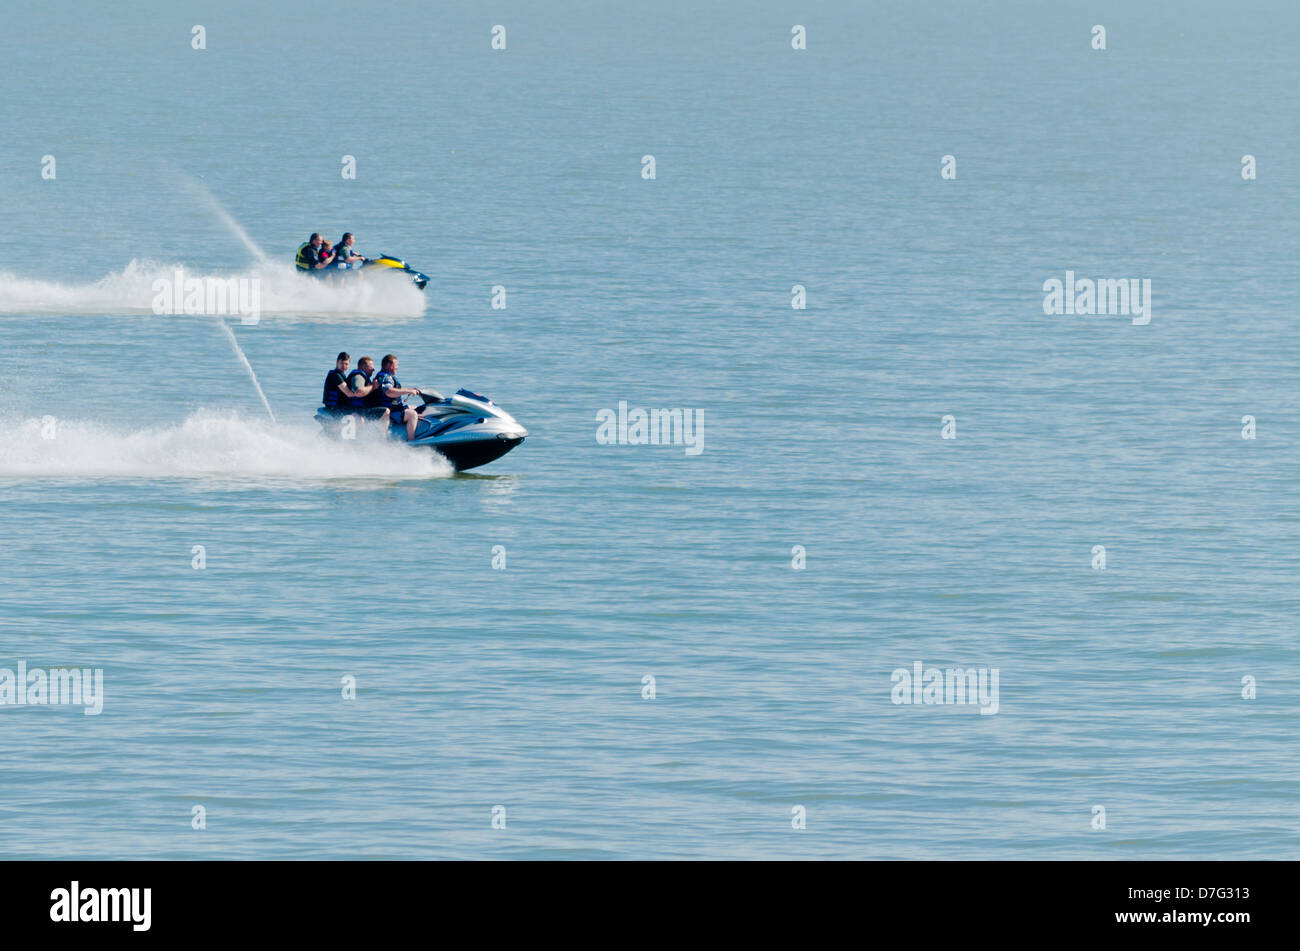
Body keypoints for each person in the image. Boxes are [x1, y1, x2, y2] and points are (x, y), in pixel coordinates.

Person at [372, 354, 422, 441]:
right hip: (391, 411)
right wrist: (408, 391)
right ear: (389, 365)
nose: (397, 367)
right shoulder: (386, 377)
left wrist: (409, 389)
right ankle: (412, 441)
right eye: (396, 365)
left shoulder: (384, 376)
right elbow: (389, 392)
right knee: (412, 415)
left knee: (416, 407)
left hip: (394, 408)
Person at [345, 356, 390, 429]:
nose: (373, 369)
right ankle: (384, 439)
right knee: (386, 411)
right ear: (363, 367)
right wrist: (373, 387)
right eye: (371, 367)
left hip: (361, 408)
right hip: (357, 409)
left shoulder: (364, 378)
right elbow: (358, 392)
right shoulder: (358, 376)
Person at [321, 352, 371, 416]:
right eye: (341, 363)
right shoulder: (335, 375)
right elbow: (349, 394)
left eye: (346, 364)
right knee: (358, 415)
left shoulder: (341, 375)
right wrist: (362, 392)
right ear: (337, 362)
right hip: (333, 408)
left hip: (338, 407)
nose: (344, 366)